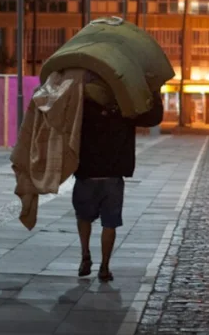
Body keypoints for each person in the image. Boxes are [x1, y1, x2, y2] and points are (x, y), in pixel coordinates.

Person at [73, 90, 164, 282]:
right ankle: (104, 267)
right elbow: (153, 118)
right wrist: (155, 93)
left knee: (83, 217)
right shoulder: (125, 110)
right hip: (113, 176)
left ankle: (85, 256)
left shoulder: (83, 108)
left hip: (86, 174)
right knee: (110, 223)